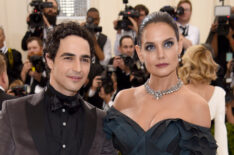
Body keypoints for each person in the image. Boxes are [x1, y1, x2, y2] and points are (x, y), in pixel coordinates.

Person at [103, 12, 217, 154]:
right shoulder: (124, 99)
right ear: (140, 53)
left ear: (179, 46)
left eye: (168, 44)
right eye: (150, 47)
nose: (160, 54)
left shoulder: (197, 107)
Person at [0, 22, 117, 155]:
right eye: (68, 58)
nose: (78, 68)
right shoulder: (13, 112)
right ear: (49, 60)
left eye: (84, 60)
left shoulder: (101, 121)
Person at [178, 44, 228, 155]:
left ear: (188, 65)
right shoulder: (218, 93)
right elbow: (221, 134)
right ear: (210, 65)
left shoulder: (178, 92)